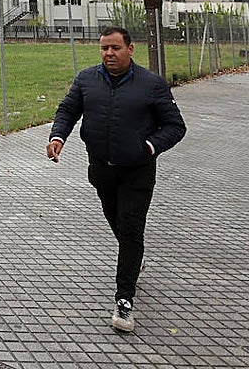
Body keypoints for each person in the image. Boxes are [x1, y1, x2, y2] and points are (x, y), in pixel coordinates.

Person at [46, 27, 187, 333]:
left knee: (132, 226)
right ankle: (134, 259)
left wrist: (147, 148)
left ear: (130, 49)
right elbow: (68, 110)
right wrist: (58, 136)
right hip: (101, 169)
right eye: (104, 48)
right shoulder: (86, 79)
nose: (109, 53)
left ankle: (124, 300)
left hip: (137, 172)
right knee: (119, 224)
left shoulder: (151, 84)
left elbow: (175, 126)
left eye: (115, 48)